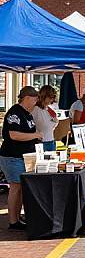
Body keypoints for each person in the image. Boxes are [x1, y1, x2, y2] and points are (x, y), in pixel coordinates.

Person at [0, 86, 43, 230]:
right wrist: (35, 135)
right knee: (15, 187)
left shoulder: (27, 114)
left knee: (21, 188)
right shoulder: (15, 113)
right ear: (27, 98)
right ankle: (13, 221)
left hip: (24, 156)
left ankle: (18, 217)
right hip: (13, 157)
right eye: (35, 99)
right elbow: (14, 135)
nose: (36, 102)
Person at [31, 85, 58, 152]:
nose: (52, 99)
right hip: (41, 142)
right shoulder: (35, 109)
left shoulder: (49, 110)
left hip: (51, 141)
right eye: (50, 97)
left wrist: (55, 120)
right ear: (44, 96)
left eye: (53, 97)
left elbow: (53, 125)